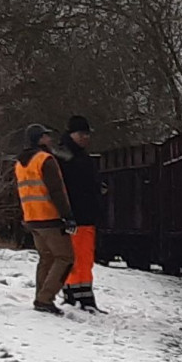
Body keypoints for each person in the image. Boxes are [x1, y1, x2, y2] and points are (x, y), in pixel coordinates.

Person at [14, 124, 76, 315]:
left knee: (46, 258)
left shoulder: (20, 163)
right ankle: (45, 298)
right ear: (39, 139)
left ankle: (41, 297)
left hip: (32, 218)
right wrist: (68, 216)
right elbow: (56, 191)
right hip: (49, 217)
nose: (50, 139)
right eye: (46, 136)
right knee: (65, 258)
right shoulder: (45, 160)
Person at [56, 115, 104, 312]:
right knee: (77, 259)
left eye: (88, 134)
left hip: (85, 216)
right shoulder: (66, 157)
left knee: (85, 258)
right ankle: (75, 297)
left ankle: (83, 297)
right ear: (72, 134)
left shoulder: (78, 156)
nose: (86, 138)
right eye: (82, 134)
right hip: (76, 216)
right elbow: (65, 187)